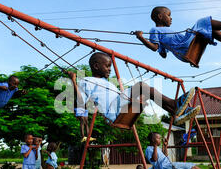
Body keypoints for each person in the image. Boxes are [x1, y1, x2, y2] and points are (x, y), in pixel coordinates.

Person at [67, 52, 201, 132]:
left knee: (147, 91)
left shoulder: (107, 83)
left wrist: (136, 101)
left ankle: (175, 111)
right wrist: (73, 81)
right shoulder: (85, 81)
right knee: (141, 86)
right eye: (107, 66)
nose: (110, 69)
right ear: (96, 66)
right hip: (113, 112)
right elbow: (80, 103)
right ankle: (174, 105)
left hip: (119, 105)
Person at [134, 6, 221, 64]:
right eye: (168, 15)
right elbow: (155, 47)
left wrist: (163, 50)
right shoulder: (154, 29)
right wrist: (141, 38)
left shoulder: (162, 32)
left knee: (207, 29)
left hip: (185, 45)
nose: (171, 18)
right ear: (160, 17)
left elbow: (163, 54)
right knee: (201, 22)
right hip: (185, 48)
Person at [145, 132, 221, 169]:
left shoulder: (157, 148)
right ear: (153, 140)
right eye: (158, 138)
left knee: (192, 165)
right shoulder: (149, 149)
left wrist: (165, 146)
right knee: (190, 168)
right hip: (164, 168)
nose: (160, 140)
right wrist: (155, 146)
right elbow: (154, 159)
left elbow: (165, 155)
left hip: (168, 165)